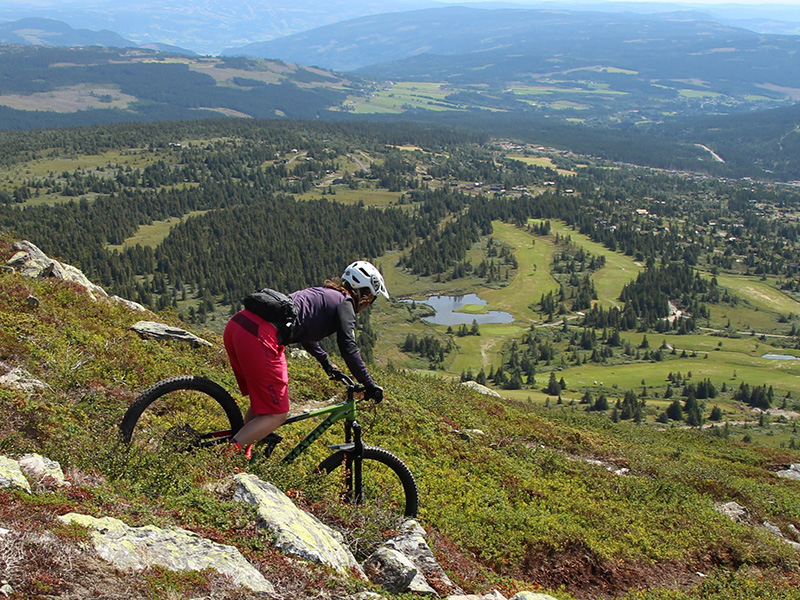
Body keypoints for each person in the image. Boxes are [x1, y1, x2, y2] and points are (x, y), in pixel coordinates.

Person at [223, 260, 389, 456]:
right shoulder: (346, 304)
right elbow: (348, 347)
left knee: (264, 404)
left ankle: (244, 450)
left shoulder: (324, 293)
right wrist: (368, 384)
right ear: (365, 294)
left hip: (238, 326)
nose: (370, 303)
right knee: (277, 414)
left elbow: (307, 335)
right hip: (260, 336)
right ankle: (224, 456)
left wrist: (327, 365)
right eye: (372, 298)